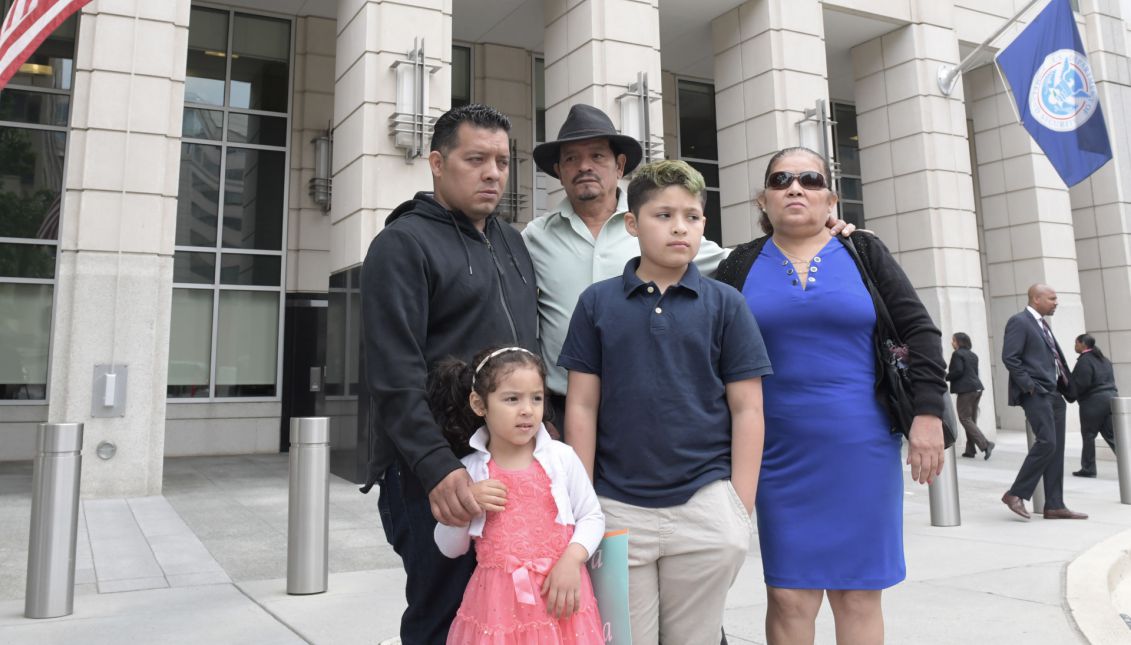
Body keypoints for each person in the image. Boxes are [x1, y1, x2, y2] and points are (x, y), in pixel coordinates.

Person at [715, 146, 946, 645]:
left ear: (831, 199)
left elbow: (921, 332)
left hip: (860, 447)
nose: (795, 187)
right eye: (781, 180)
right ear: (764, 200)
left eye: (809, 179)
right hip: (774, 453)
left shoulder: (864, 252)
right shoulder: (739, 264)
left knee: (857, 592)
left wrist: (928, 415)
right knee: (788, 595)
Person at [523, 103, 851, 433]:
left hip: (649, 413)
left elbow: (747, 263)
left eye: (597, 156)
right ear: (558, 170)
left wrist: (821, 237)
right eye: (571, 158)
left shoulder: (658, 222)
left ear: (619, 165)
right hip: (561, 413)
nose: (584, 167)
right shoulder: (533, 238)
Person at [560, 160, 773, 644]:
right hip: (616, 509)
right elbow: (582, 406)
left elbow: (748, 409)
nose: (680, 227)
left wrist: (738, 509)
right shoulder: (597, 303)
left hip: (705, 506)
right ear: (632, 224)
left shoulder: (726, 304)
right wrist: (582, 502)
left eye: (693, 216)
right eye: (663, 215)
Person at [360, 104, 539, 644]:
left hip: (509, 469)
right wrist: (438, 470)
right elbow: (394, 377)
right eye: (476, 159)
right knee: (444, 622)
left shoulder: (512, 242)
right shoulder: (402, 245)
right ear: (437, 163)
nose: (493, 173)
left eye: (503, 162)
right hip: (435, 476)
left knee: (504, 621)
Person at [429, 346, 605, 644]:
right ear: (479, 404)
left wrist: (572, 561)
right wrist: (467, 505)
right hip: (496, 608)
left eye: (536, 398)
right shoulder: (469, 471)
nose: (527, 410)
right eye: (512, 399)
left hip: (559, 599)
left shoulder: (561, 459)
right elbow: (449, 548)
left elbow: (592, 515)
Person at [1000, 284, 1087, 520]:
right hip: (1036, 393)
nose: (1056, 302)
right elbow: (1010, 357)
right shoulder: (1019, 321)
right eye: (1052, 298)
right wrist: (1030, 386)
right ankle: (1015, 494)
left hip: (1054, 393)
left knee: (1056, 448)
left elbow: (1052, 358)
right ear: (1036, 299)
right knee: (1047, 442)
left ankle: (1054, 505)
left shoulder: (1043, 325)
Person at [1070, 333, 1118, 478]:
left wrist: (1070, 394)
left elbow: (1082, 383)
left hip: (1093, 402)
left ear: (1082, 344)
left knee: (1089, 435)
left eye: (1076, 343)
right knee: (1112, 435)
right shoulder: (1104, 359)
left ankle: (1088, 469)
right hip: (1111, 399)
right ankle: (1128, 461)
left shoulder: (1085, 361)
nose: (1075, 346)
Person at [946, 332, 994, 459]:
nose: (952, 343)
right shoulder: (973, 355)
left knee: (964, 418)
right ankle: (970, 449)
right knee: (970, 420)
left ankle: (985, 444)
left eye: (953, 341)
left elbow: (958, 371)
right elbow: (974, 372)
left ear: (959, 342)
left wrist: (946, 376)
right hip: (977, 388)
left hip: (966, 390)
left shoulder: (957, 354)